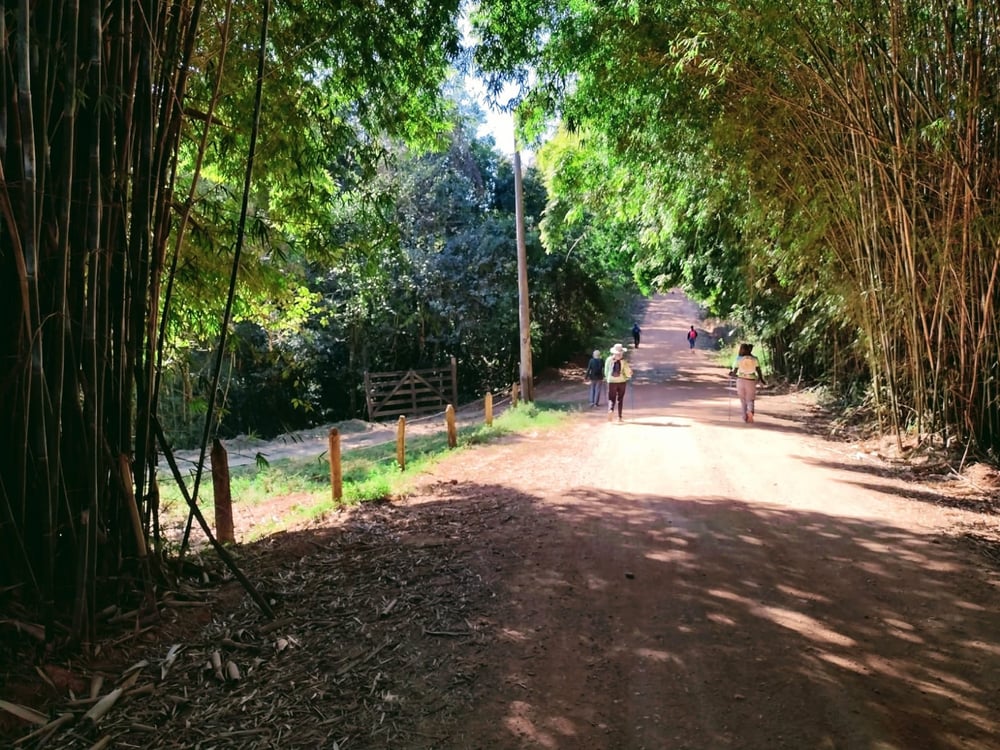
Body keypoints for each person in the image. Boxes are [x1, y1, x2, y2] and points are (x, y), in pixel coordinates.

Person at [730, 343, 766, 423]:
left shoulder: (739, 359)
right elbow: (758, 370)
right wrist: (761, 379)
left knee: (742, 400)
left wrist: (731, 374)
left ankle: (744, 416)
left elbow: (734, 372)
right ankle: (750, 411)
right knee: (750, 399)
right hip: (751, 381)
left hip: (740, 380)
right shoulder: (755, 359)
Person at [604, 343, 633, 422]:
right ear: (622, 352)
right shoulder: (623, 361)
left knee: (611, 398)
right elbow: (627, 373)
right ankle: (620, 417)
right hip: (622, 382)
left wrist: (608, 379)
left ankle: (611, 410)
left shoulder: (608, 360)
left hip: (611, 382)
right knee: (620, 399)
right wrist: (629, 376)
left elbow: (606, 371)